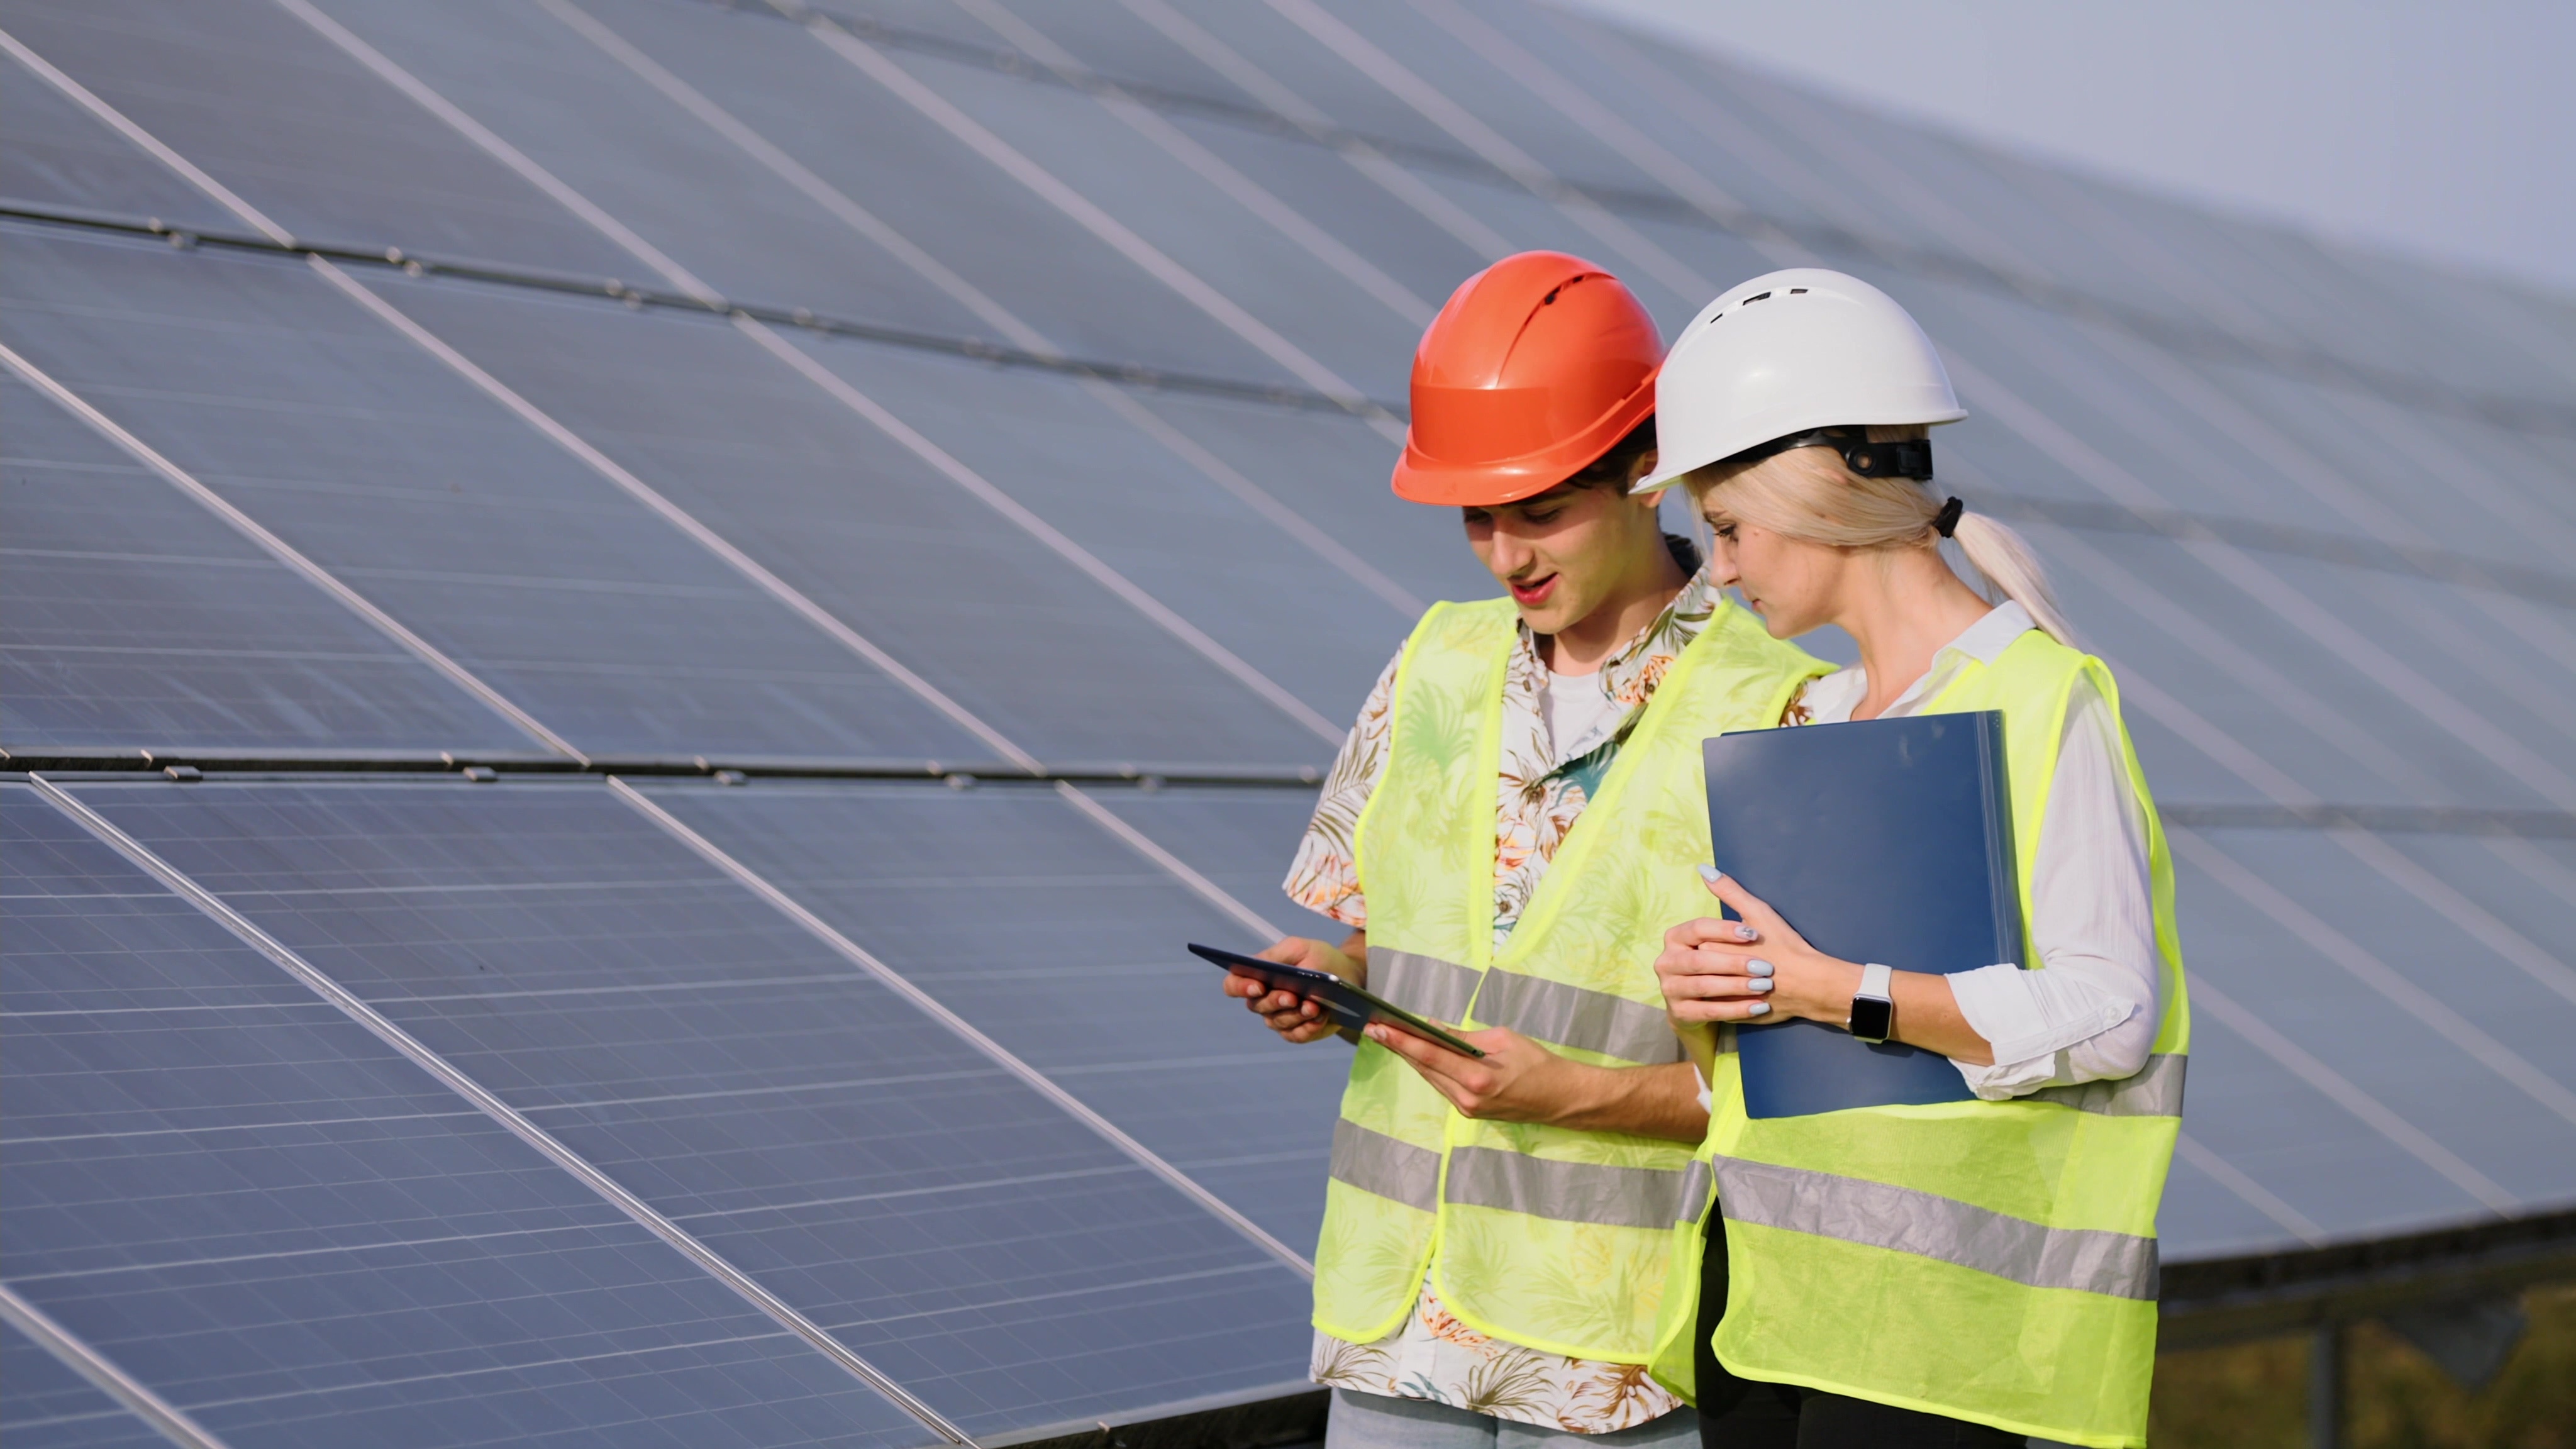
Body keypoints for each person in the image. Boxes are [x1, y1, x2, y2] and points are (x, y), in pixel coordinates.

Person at [1224, 252, 1827, 1447]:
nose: (1508, 553)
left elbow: (1809, 1090)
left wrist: (1577, 1094)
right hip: (1396, 1323)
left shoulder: (1781, 709)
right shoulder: (1435, 661)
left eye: (1542, 509)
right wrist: (1334, 981)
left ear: (1644, 473)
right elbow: (1392, 940)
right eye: (1478, 517)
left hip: (1611, 1359)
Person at [1630, 269, 2189, 1449]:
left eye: (1728, 529)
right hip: (1769, 1309)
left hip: (1934, 1346)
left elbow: (2108, 1014)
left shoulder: (2046, 699)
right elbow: (1757, 1066)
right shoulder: (1810, 720)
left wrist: (1837, 989)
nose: (1718, 570)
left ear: (1819, 489)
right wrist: (1708, 994)